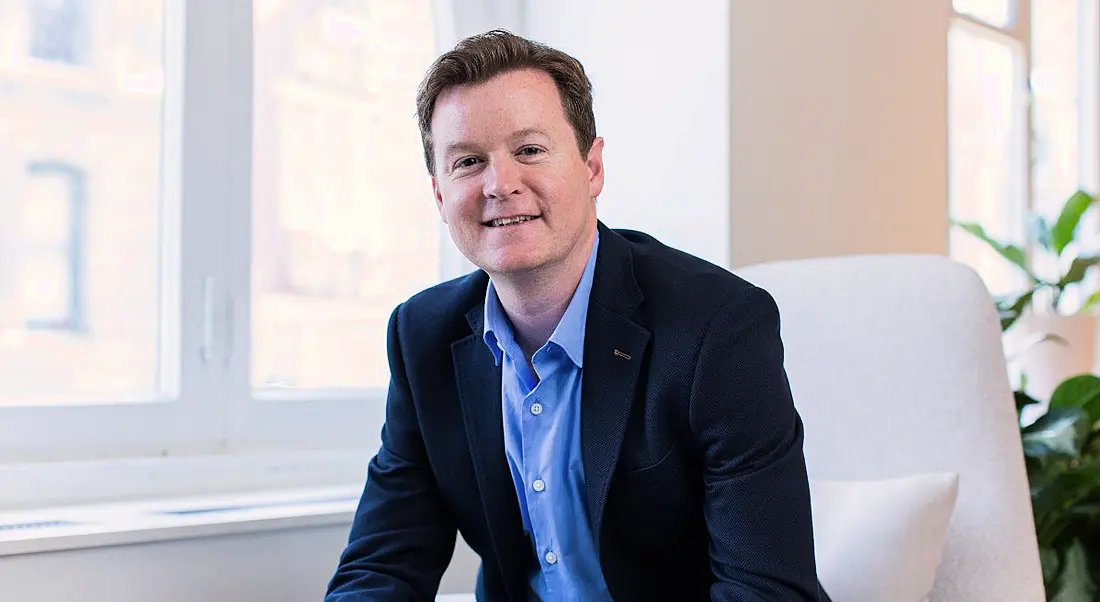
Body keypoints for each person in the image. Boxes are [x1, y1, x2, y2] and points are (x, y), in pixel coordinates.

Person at [325, 29, 830, 602]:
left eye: (530, 150)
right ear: (440, 196)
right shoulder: (422, 337)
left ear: (592, 169)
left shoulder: (718, 327)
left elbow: (766, 590)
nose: (501, 184)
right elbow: (382, 566)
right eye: (468, 161)